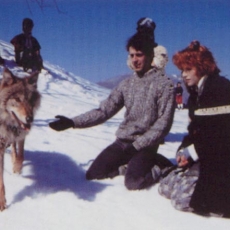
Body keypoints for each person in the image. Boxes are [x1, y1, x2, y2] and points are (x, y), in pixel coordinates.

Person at [49, 23, 175, 190]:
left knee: (133, 183)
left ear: (150, 55)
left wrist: (137, 146)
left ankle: (159, 165)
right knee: (94, 174)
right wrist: (72, 122)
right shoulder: (126, 84)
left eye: (139, 55)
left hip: (146, 145)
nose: (135, 60)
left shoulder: (164, 84)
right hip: (123, 142)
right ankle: (129, 165)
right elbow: (104, 111)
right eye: (131, 56)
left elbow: (163, 124)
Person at [158, 40, 230, 217]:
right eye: (182, 70)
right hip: (209, 157)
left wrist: (193, 152)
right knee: (165, 188)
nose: (184, 75)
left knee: (182, 200)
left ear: (202, 67)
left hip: (223, 161)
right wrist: (184, 151)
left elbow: (221, 135)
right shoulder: (196, 95)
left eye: (188, 69)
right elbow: (196, 131)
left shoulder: (219, 89)